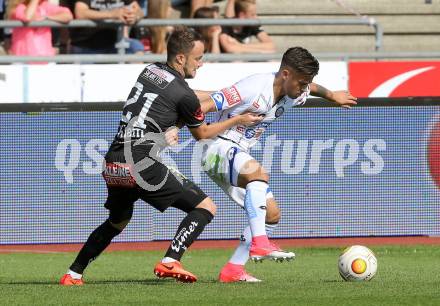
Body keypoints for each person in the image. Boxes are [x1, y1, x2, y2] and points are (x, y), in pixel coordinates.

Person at [59, 27, 262, 286]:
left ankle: (73, 274)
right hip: (140, 163)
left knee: (117, 222)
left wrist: (217, 97)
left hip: (113, 162)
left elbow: (180, 97)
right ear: (180, 58)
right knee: (205, 207)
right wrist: (239, 118)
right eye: (198, 58)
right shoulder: (184, 94)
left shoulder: (150, 70)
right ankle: (170, 260)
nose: (201, 63)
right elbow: (202, 133)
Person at [196, 47, 357, 282]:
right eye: (301, 82)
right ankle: (260, 244)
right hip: (216, 147)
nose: (303, 88)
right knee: (258, 173)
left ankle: (233, 270)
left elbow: (312, 88)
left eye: (306, 83)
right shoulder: (253, 87)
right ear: (285, 74)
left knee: (271, 214)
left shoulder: (295, 92)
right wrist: (173, 125)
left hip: (237, 153)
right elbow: (206, 105)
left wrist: (333, 95)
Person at [69, 0, 144, 54]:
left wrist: (135, 16)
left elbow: (139, 11)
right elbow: (80, 13)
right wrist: (112, 14)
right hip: (86, 45)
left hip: (115, 43)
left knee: (136, 47)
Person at [6, 0, 73, 56]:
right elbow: (27, 17)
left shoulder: (45, 6)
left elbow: (68, 16)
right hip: (23, 59)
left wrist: (47, 17)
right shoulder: (17, 8)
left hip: (45, 59)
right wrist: (34, 1)